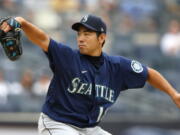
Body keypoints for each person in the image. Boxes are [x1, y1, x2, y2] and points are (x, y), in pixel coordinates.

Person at [0, 14, 180, 135]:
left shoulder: (117, 66)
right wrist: (22, 22)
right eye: (79, 33)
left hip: (90, 129)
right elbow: (42, 38)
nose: (81, 38)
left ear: (102, 38)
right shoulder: (67, 57)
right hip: (58, 124)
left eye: (87, 33)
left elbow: (150, 73)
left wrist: (173, 94)